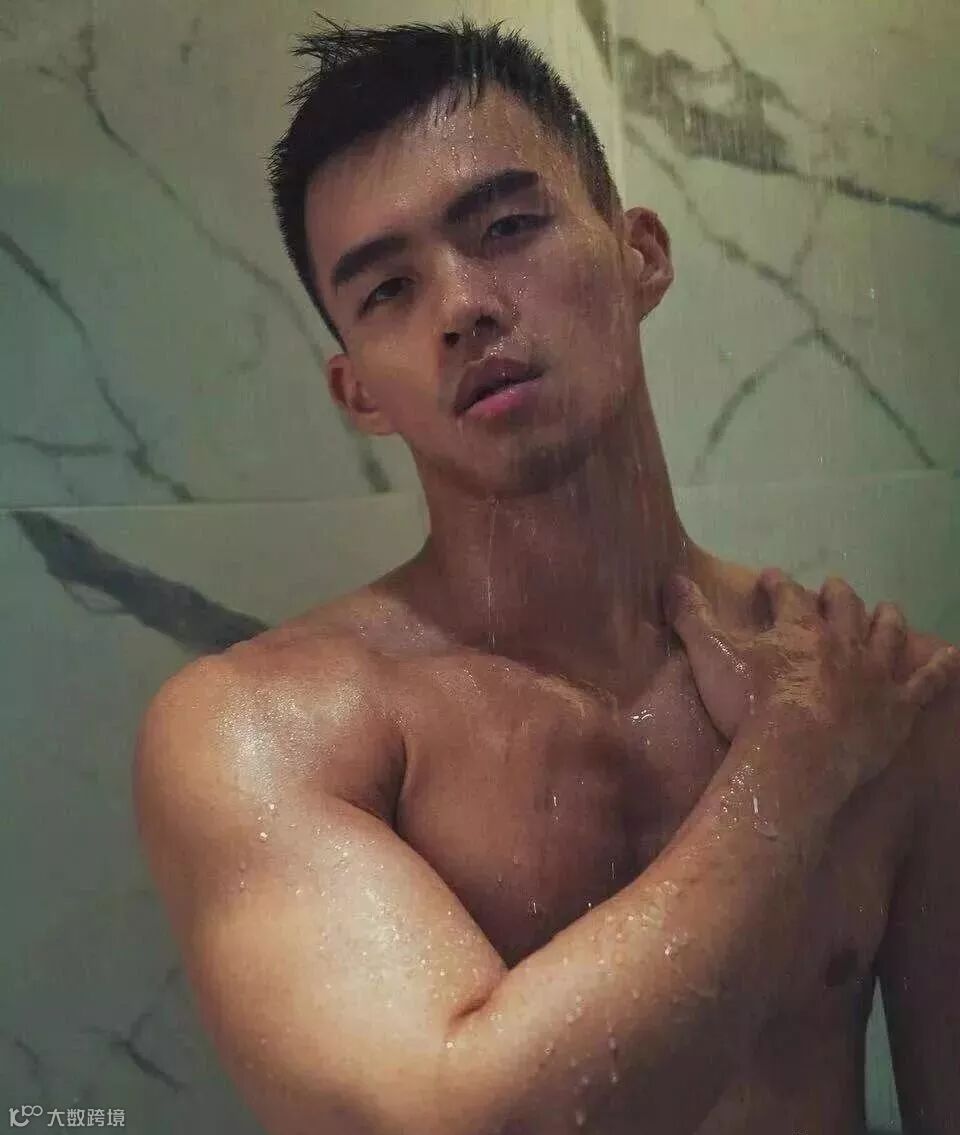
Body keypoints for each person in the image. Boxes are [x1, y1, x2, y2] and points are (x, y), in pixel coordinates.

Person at [132, 16, 960, 1135]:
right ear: (359, 391)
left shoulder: (888, 699)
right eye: (388, 290)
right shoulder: (268, 729)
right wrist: (796, 767)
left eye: (508, 227)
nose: (463, 307)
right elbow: (453, 1122)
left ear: (640, 253)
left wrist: (828, 730)